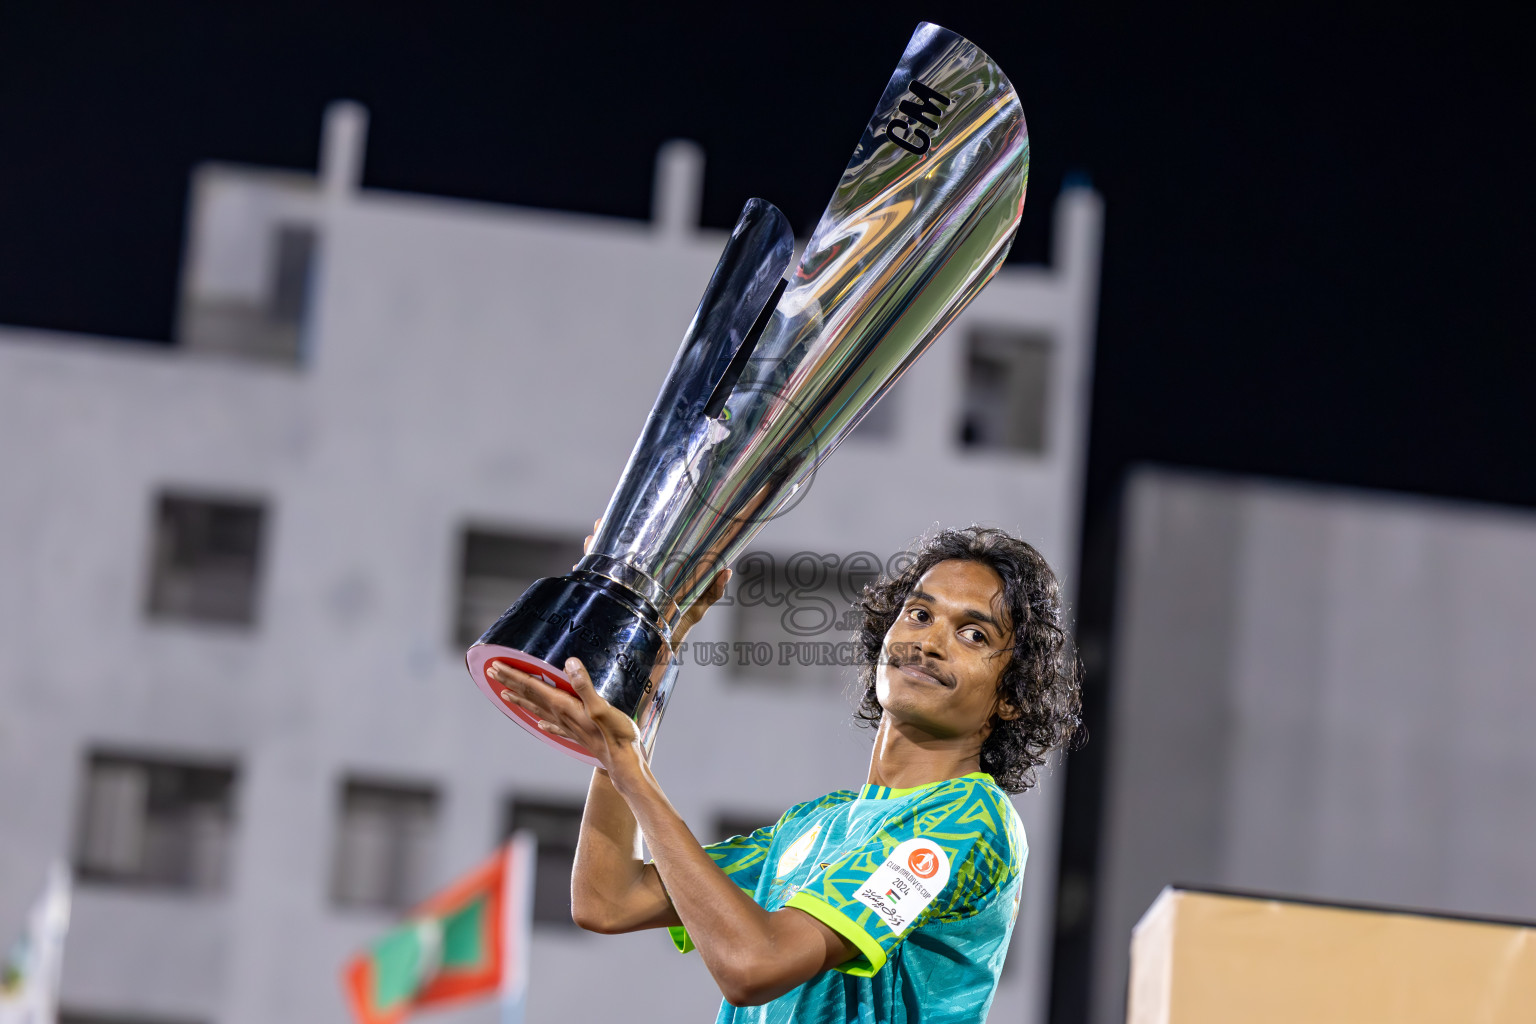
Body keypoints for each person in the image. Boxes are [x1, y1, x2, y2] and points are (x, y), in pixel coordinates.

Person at [490, 526, 1082, 1022]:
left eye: (973, 634)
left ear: (1012, 695)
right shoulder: (813, 825)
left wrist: (631, 768)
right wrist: (647, 668)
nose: (928, 642)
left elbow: (754, 965)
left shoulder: (969, 820)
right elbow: (607, 899)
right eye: (920, 613)